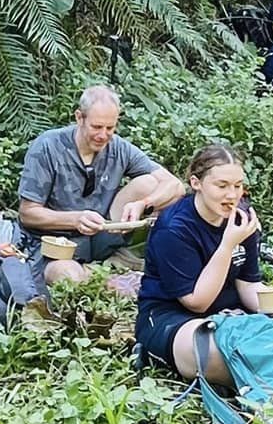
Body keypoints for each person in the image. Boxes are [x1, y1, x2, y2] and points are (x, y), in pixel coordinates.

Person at [136, 143, 273, 383]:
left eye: (238, 186)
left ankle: (265, 363)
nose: (232, 195)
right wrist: (227, 245)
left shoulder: (242, 216)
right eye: (222, 186)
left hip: (236, 318)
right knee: (208, 353)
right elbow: (197, 302)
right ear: (196, 183)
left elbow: (249, 286)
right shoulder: (175, 228)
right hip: (178, 320)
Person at [17, 85, 186, 285]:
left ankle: (110, 266)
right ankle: (105, 273)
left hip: (102, 234)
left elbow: (175, 186)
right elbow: (27, 213)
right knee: (68, 276)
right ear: (79, 118)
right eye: (96, 127)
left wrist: (145, 204)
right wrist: (75, 219)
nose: (103, 135)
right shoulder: (47, 147)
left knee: (149, 183)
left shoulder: (119, 147)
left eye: (110, 128)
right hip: (57, 245)